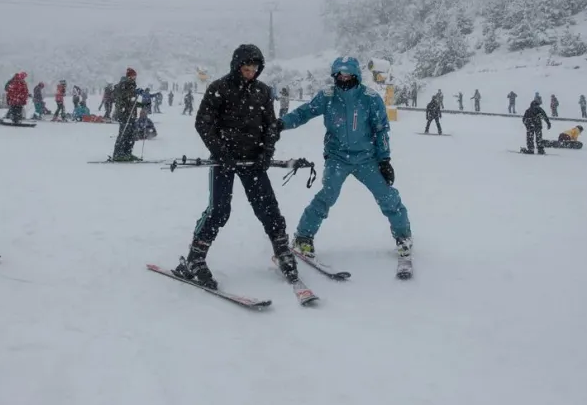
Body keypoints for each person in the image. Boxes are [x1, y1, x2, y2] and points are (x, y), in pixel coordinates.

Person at [172, 44, 298, 289]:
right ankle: (194, 260)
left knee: (268, 208)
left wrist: (266, 152)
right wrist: (221, 153)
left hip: (254, 161)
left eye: (254, 69)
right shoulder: (218, 88)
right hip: (224, 160)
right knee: (219, 211)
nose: (250, 73)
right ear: (237, 66)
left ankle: (283, 252)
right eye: (246, 68)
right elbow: (203, 124)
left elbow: (270, 127)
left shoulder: (262, 92)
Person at [278, 56, 412, 261]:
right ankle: (303, 237)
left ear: (356, 74)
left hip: (367, 159)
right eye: (339, 73)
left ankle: (403, 236)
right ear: (334, 75)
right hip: (337, 158)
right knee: (326, 196)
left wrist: (384, 160)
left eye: (348, 73)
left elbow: (381, 129)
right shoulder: (328, 96)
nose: (344, 77)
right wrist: (280, 124)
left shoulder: (370, 98)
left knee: (387, 196)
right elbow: (304, 113)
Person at [110, 68, 141, 161]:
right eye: (133, 76)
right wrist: (134, 93)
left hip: (131, 114)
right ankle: (118, 154)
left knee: (131, 135)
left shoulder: (131, 85)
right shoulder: (123, 85)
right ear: (129, 76)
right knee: (123, 134)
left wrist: (142, 104)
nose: (135, 78)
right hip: (124, 114)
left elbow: (132, 101)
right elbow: (123, 97)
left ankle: (127, 153)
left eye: (135, 76)